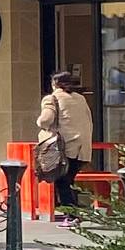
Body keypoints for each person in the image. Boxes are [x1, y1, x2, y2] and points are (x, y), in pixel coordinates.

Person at [37, 71, 93, 226]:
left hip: (63, 147)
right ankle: (73, 212)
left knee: (61, 180)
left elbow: (45, 120)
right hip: (82, 147)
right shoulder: (81, 99)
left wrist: (39, 123)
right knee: (69, 179)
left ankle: (72, 214)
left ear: (55, 84)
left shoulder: (52, 98)